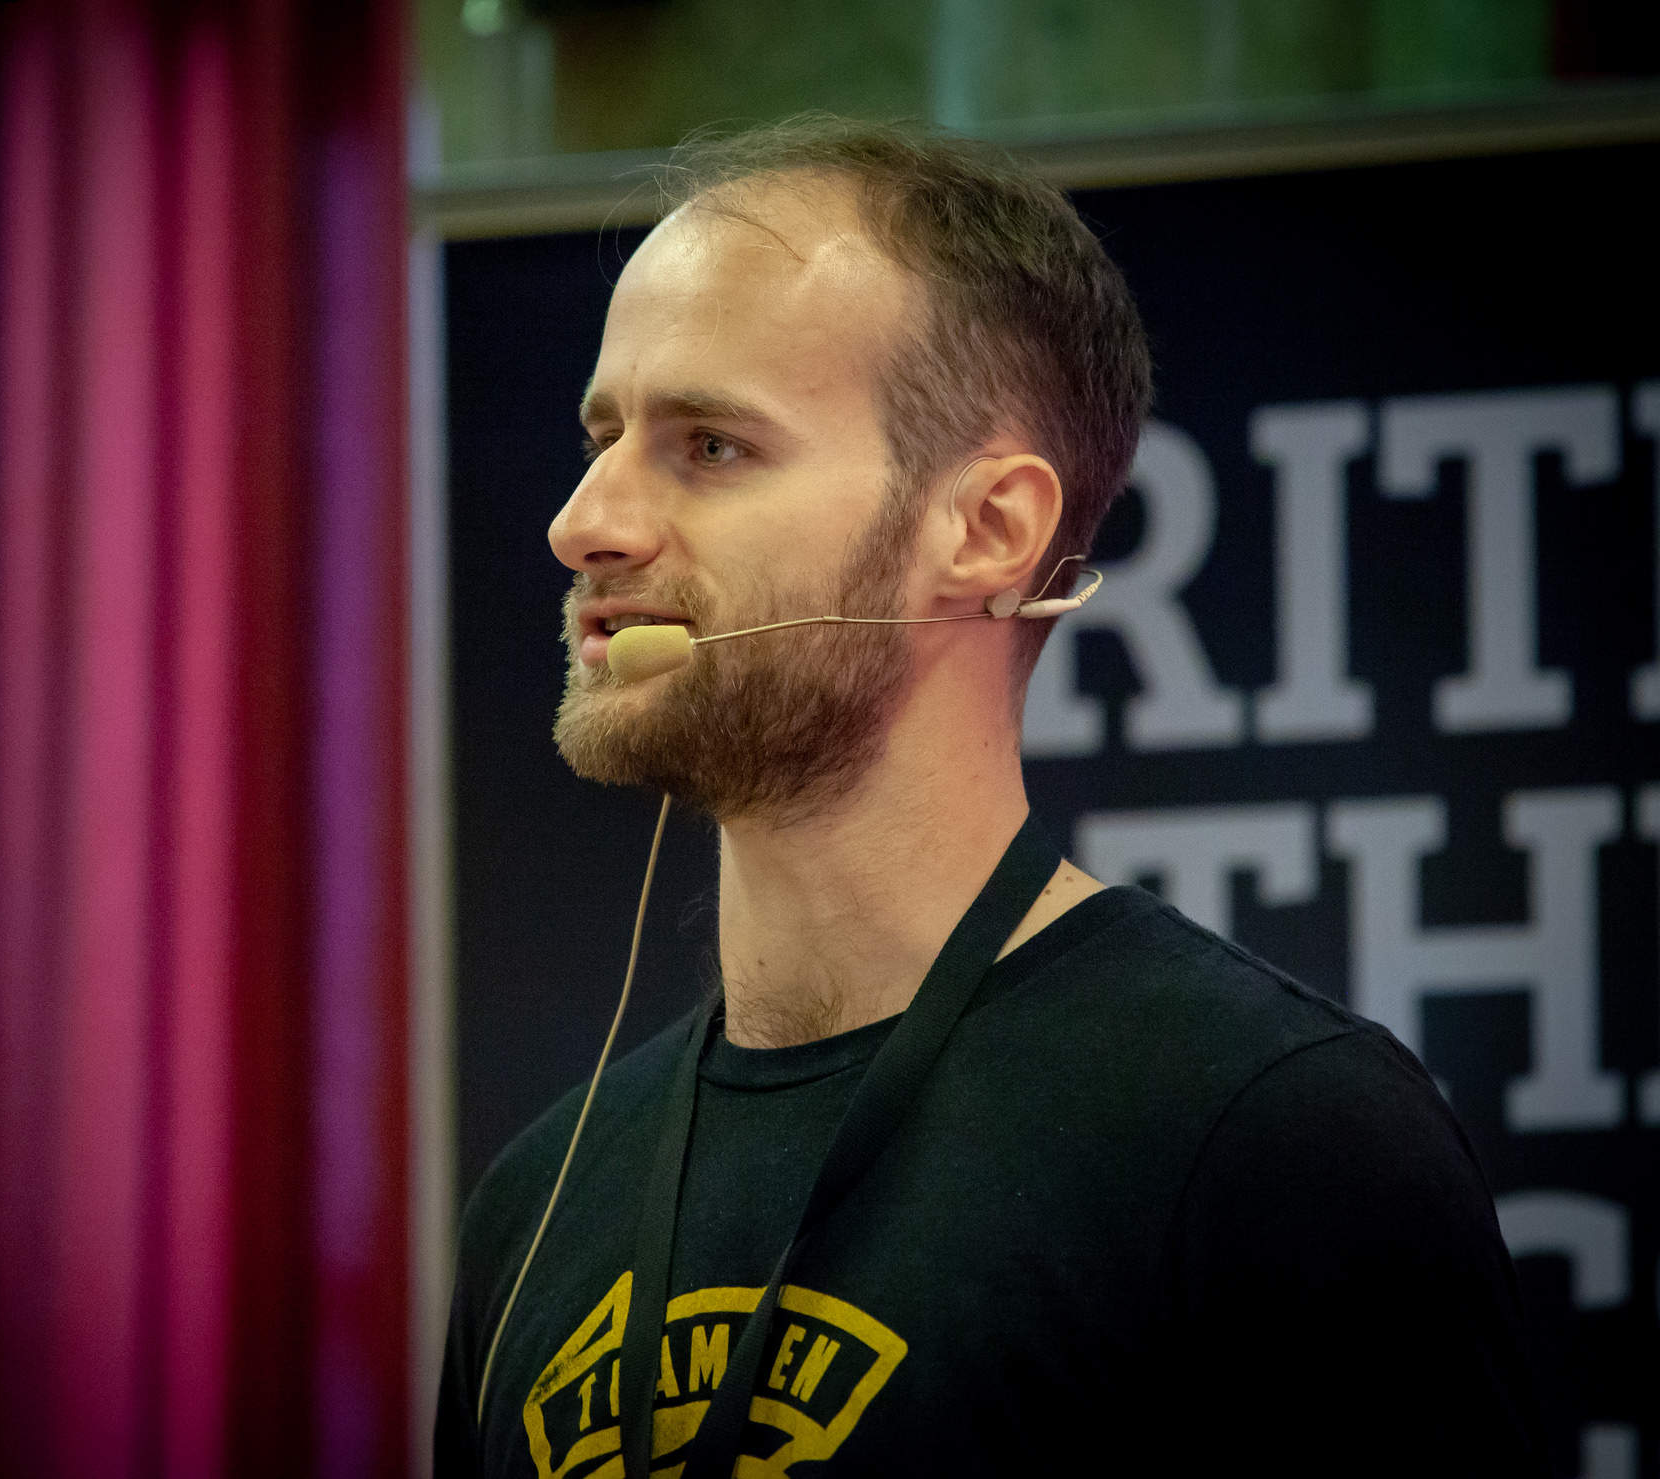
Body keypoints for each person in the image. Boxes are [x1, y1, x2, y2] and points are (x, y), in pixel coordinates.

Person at [436, 117, 1545, 1477]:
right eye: (603, 435)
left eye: (711, 445)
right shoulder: (537, 1205)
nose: (582, 522)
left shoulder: (1276, 1141)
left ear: (989, 529)